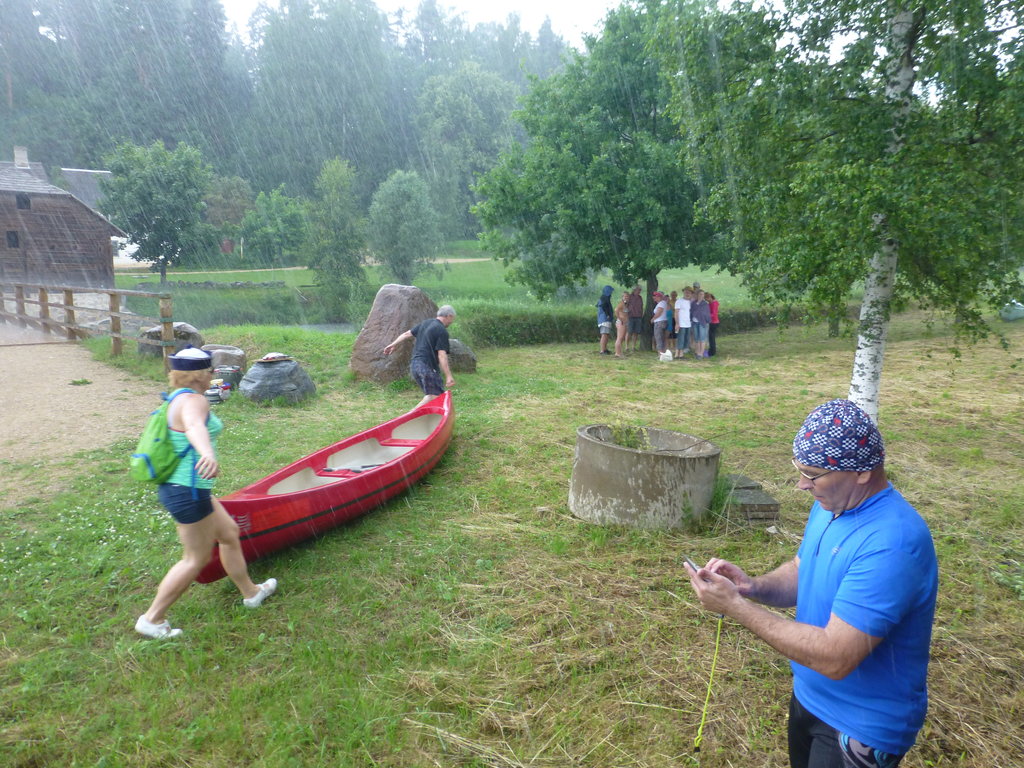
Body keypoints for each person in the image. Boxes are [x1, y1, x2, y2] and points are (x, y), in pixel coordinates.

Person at [686, 399, 937, 768]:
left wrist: (735, 607)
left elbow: (836, 657)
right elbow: (802, 570)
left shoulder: (893, 543)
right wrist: (751, 587)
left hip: (860, 725)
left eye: (813, 474)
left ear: (861, 472)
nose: (802, 485)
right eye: (799, 470)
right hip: (809, 695)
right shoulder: (831, 505)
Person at [135, 347, 277, 640]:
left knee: (228, 534)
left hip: (183, 489)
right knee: (194, 559)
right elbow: (193, 426)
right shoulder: (194, 401)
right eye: (211, 370)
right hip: (187, 492)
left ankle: (251, 593)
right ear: (202, 375)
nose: (213, 375)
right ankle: (152, 619)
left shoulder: (175, 397)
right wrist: (207, 453)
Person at [383, 305, 457, 408]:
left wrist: (393, 344)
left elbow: (406, 334)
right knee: (433, 396)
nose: (451, 322)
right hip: (427, 367)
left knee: (437, 397)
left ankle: (429, 417)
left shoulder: (425, 323)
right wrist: (448, 375)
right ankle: (411, 415)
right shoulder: (441, 330)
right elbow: (442, 355)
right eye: (452, 319)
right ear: (449, 316)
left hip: (415, 365)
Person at [690, 289, 711, 359]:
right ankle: (698, 351)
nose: (701, 296)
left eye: (702, 294)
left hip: (702, 323)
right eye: (700, 294)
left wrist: (706, 320)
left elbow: (706, 313)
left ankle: (701, 353)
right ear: (697, 295)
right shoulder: (693, 303)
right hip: (694, 322)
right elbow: (691, 312)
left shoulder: (705, 304)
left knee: (702, 338)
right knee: (696, 338)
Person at [674, 287, 692, 359]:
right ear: (683, 292)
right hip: (681, 323)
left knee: (685, 339)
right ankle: (677, 354)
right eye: (686, 292)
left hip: (688, 323)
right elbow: (676, 312)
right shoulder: (679, 301)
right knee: (680, 338)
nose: (687, 294)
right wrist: (677, 323)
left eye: (689, 293)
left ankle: (681, 354)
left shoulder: (690, 302)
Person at [596, 285, 614, 355]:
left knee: (606, 334)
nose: (611, 293)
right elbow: (604, 307)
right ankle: (602, 350)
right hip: (604, 319)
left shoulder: (604, 298)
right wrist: (607, 315)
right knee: (604, 334)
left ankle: (605, 349)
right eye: (610, 291)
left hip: (605, 319)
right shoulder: (604, 298)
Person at [626, 286, 644, 352]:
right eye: (638, 290)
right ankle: (627, 346)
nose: (639, 291)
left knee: (636, 332)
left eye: (640, 290)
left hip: (638, 316)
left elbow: (641, 306)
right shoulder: (630, 297)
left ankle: (633, 346)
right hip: (630, 316)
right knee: (629, 331)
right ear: (634, 290)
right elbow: (626, 305)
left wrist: (641, 314)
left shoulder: (640, 298)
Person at [614, 290, 629, 358]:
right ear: (622, 297)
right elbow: (616, 310)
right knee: (619, 338)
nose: (626, 297)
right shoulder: (621, 304)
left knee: (622, 338)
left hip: (625, 322)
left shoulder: (626, 304)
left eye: (627, 296)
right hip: (621, 322)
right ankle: (618, 353)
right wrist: (620, 318)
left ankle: (619, 352)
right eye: (625, 296)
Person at [707, 291, 720, 357]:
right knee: (710, 337)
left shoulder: (714, 303)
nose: (707, 299)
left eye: (708, 298)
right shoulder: (710, 303)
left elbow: (714, 314)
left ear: (711, 297)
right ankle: (711, 350)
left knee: (711, 337)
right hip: (711, 322)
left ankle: (712, 352)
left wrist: (707, 316)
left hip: (714, 322)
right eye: (706, 298)